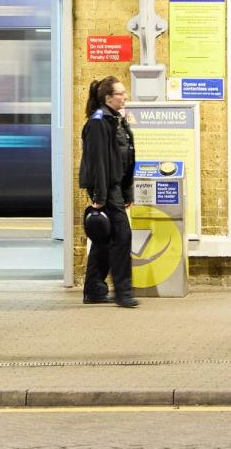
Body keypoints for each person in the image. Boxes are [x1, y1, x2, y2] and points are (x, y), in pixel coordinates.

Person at [79, 76, 139, 308]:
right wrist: (100, 198)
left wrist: (128, 193)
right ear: (108, 97)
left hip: (116, 187)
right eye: (120, 93)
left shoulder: (116, 119)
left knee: (104, 240)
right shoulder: (98, 122)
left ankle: (94, 290)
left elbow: (126, 158)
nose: (125, 97)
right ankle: (124, 292)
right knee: (122, 237)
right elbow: (99, 163)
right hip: (105, 188)